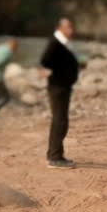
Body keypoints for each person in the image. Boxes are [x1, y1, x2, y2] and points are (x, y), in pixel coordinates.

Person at [40, 19, 81, 169]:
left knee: (61, 121)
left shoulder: (62, 42)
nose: (71, 29)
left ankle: (56, 155)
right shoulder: (56, 42)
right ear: (59, 28)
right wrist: (58, 72)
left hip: (62, 86)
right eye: (68, 27)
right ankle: (54, 157)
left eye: (72, 26)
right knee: (59, 121)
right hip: (58, 87)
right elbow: (45, 60)